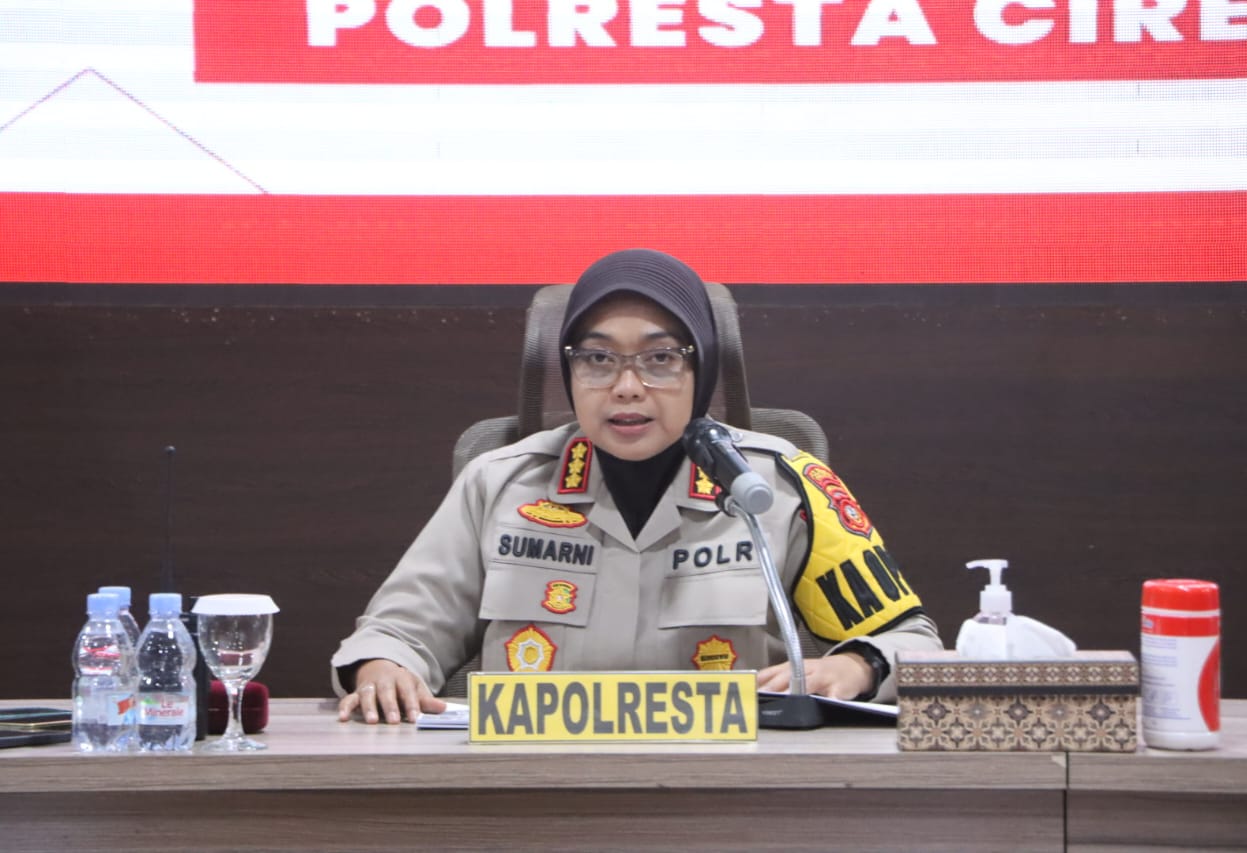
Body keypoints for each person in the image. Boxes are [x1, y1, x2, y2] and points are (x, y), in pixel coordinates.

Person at [333, 248, 942, 724]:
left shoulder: (779, 486)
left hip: (729, 791)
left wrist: (859, 666)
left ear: (702, 368)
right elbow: (398, 632)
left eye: (660, 359)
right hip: (529, 788)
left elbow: (909, 640)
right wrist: (384, 667)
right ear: (569, 370)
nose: (626, 387)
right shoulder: (500, 482)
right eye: (598, 359)